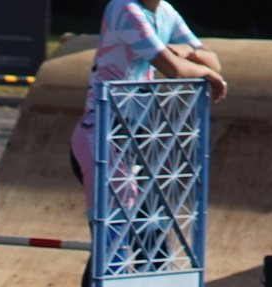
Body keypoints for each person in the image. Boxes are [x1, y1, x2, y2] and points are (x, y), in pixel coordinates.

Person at [74, 0, 226, 188]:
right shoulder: (124, 9)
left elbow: (214, 63)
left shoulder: (165, 11)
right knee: (123, 205)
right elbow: (174, 69)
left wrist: (190, 52)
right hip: (102, 132)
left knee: (146, 206)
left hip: (135, 132)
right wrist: (207, 73)